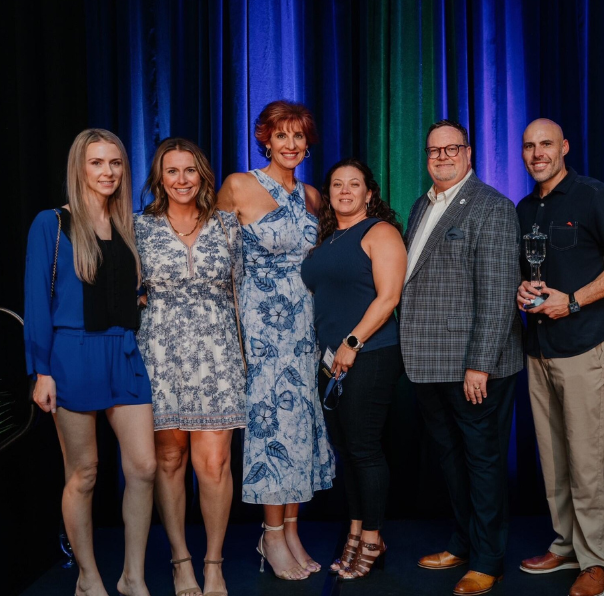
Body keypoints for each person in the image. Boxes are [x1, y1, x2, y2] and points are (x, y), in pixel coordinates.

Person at [514, 118, 604, 596]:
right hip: (538, 348)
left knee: (587, 460)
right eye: (529, 146)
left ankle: (596, 561)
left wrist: (572, 301)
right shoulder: (525, 207)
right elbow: (530, 273)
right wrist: (520, 290)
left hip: (584, 346)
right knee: (553, 458)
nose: (537, 153)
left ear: (564, 147)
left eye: (546, 144)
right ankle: (566, 544)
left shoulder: (593, 196)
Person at [24, 128, 156, 596]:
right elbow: (37, 302)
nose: (108, 172)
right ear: (79, 167)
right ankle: (88, 577)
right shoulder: (52, 223)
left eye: (115, 163)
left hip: (124, 351)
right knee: (84, 473)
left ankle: (133, 577)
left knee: (144, 467)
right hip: (72, 355)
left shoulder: (127, 225)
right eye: (97, 162)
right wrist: (41, 371)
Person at [402, 119, 522, 596]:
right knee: (451, 461)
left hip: (474, 366)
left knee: (482, 463)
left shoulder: (492, 207)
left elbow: (498, 292)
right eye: (434, 150)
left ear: (469, 153)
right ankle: (464, 542)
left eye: (452, 149)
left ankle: (489, 560)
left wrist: (480, 364)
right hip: (428, 361)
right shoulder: (422, 205)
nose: (443, 157)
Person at [217, 100, 334, 581]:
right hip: (261, 328)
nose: (290, 144)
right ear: (265, 140)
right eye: (280, 135)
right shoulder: (239, 185)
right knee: (272, 428)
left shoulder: (313, 197)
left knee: (299, 427)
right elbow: (217, 260)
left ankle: (290, 532)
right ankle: (269, 535)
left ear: (308, 144)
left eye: (298, 136)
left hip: (304, 327)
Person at [135, 137, 245, 596]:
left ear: (202, 174)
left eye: (190, 170)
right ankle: (181, 560)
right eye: (172, 171)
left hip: (218, 355)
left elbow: (242, 292)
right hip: (160, 355)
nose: (182, 180)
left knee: (214, 464)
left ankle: (213, 562)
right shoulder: (139, 227)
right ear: (160, 178)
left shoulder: (228, 224)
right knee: (169, 458)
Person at [301, 158, 406, 581]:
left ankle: (373, 540)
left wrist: (352, 343)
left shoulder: (379, 232)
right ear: (328, 194)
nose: (345, 191)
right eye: (337, 185)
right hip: (332, 358)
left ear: (369, 193)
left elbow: (389, 297)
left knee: (364, 449)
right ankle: (356, 531)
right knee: (347, 449)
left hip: (370, 353)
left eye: (354, 184)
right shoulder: (328, 239)